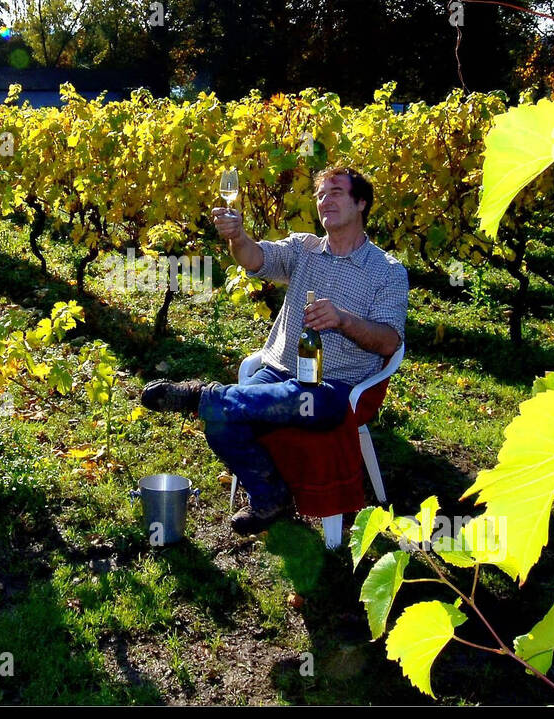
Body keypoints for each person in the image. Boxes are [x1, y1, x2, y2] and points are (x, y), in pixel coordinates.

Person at [140, 166, 408, 535]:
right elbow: (255, 259)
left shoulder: (387, 272)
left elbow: (389, 342)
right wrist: (237, 237)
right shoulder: (304, 248)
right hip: (279, 370)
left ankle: (203, 396)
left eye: (336, 192)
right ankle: (269, 497)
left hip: (333, 388)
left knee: (309, 402)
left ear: (361, 203)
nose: (324, 200)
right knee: (219, 421)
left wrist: (344, 320)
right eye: (320, 194)